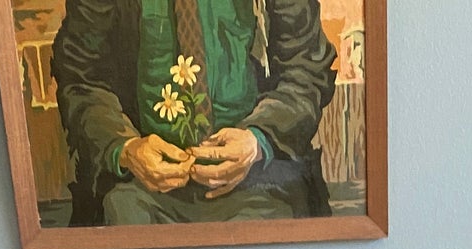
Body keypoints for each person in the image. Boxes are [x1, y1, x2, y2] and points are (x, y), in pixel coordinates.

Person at [52, 0, 338, 226]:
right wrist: (126, 148)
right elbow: (80, 78)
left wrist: (257, 139)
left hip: (260, 177)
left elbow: (306, 69)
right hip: (138, 186)